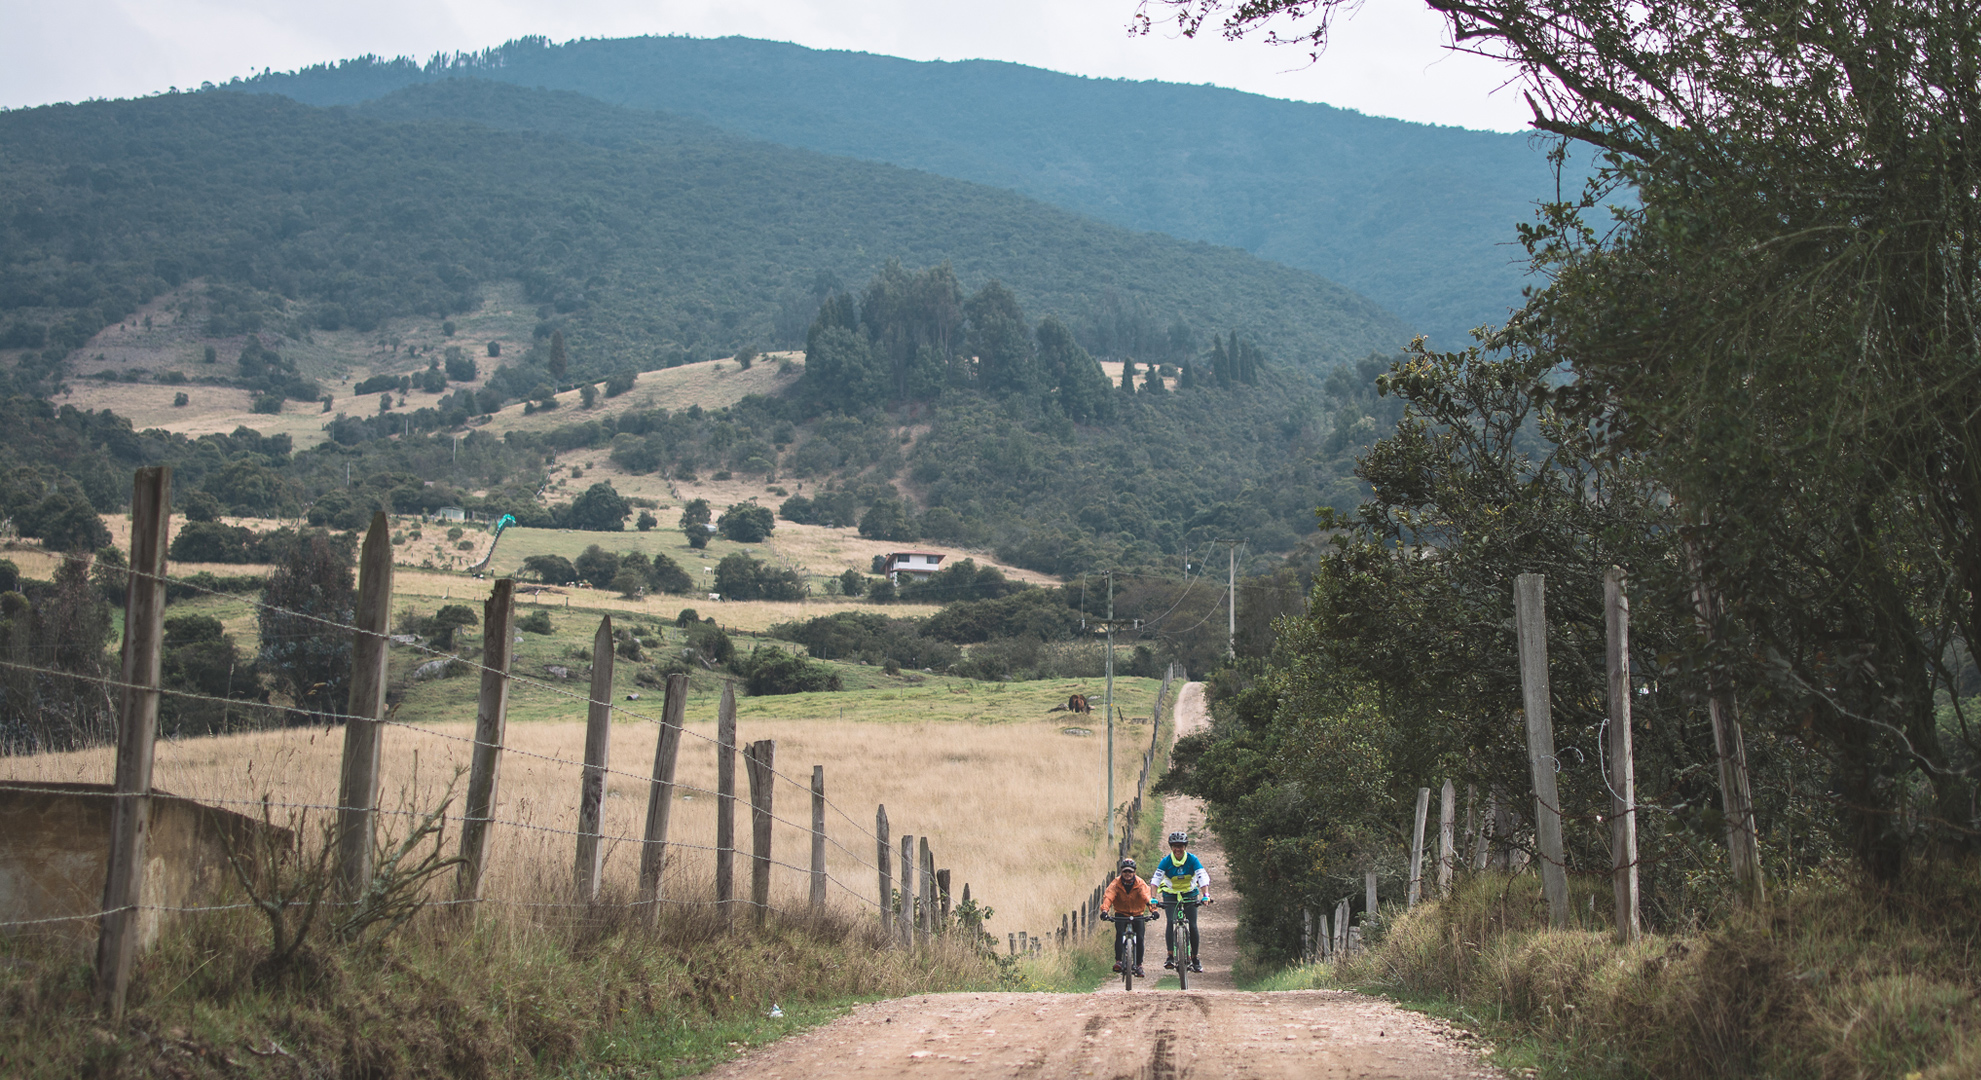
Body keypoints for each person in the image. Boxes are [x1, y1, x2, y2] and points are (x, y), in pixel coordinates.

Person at [1153, 831, 1212, 972]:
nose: (1178, 849)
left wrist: (1206, 895)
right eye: (1174, 846)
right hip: (1171, 894)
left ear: (1185, 847)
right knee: (1170, 922)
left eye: (1180, 846)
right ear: (1171, 847)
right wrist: (1153, 898)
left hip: (1189, 893)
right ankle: (1170, 956)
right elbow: (1155, 880)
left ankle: (1195, 957)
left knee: (1192, 924)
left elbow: (1202, 877)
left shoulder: (1192, 860)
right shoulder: (1166, 861)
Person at [1100, 857, 1157, 976]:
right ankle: (1119, 961)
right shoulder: (1116, 884)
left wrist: (1153, 910)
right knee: (1119, 934)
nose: (1127, 874)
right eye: (1125, 871)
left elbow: (1147, 897)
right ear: (1121, 871)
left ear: (1134, 872)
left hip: (1137, 914)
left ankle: (1139, 965)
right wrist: (1105, 911)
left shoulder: (1140, 884)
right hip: (1121, 913)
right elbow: (1109, 897)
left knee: (1140, 938)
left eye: (1130, 871)